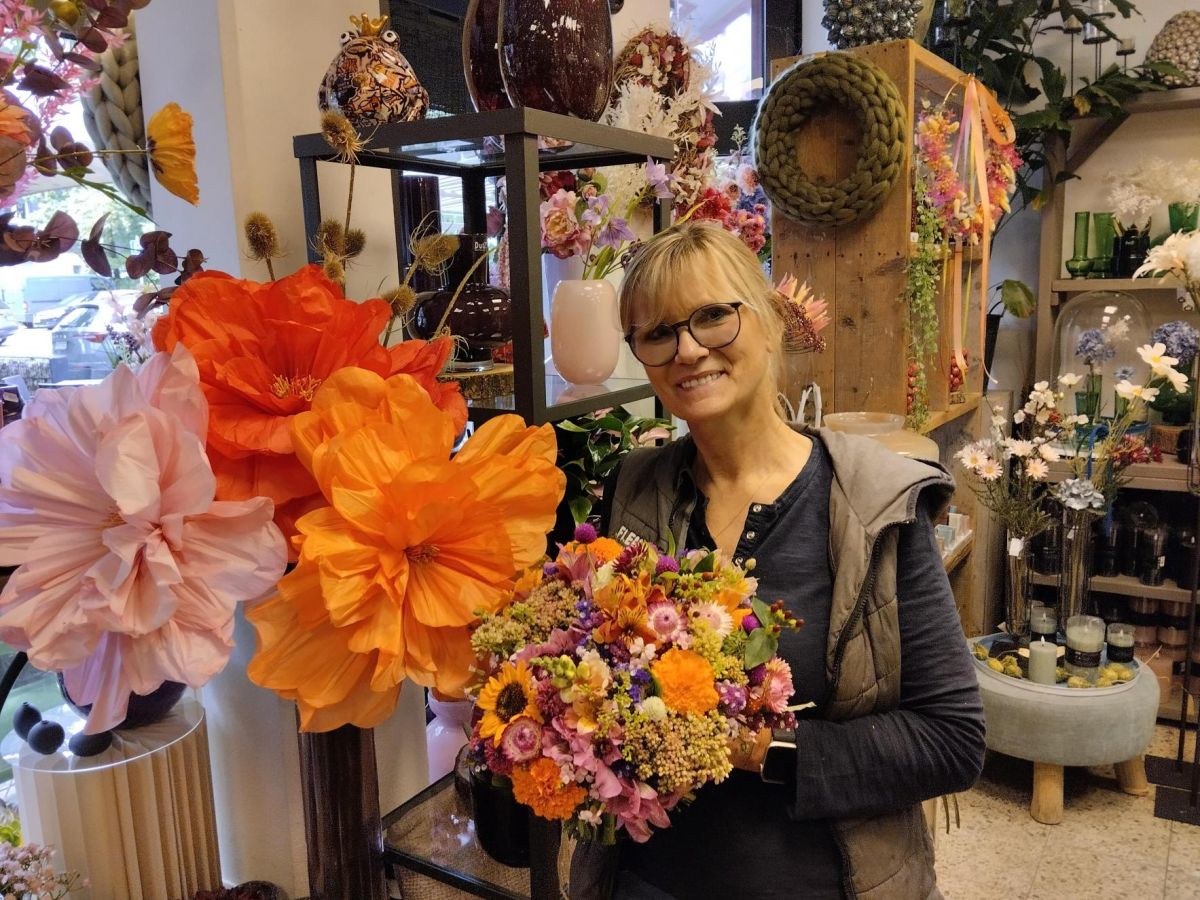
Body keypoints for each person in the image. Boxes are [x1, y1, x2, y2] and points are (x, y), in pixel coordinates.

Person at [573, 221, 985, 900]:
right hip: (647, 881)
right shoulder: (633, 486)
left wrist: (754, 750)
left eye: (712, 317)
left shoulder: (872, 502)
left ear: (767, 321)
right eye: (658, 333)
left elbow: (950, 740)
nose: (687, 350)